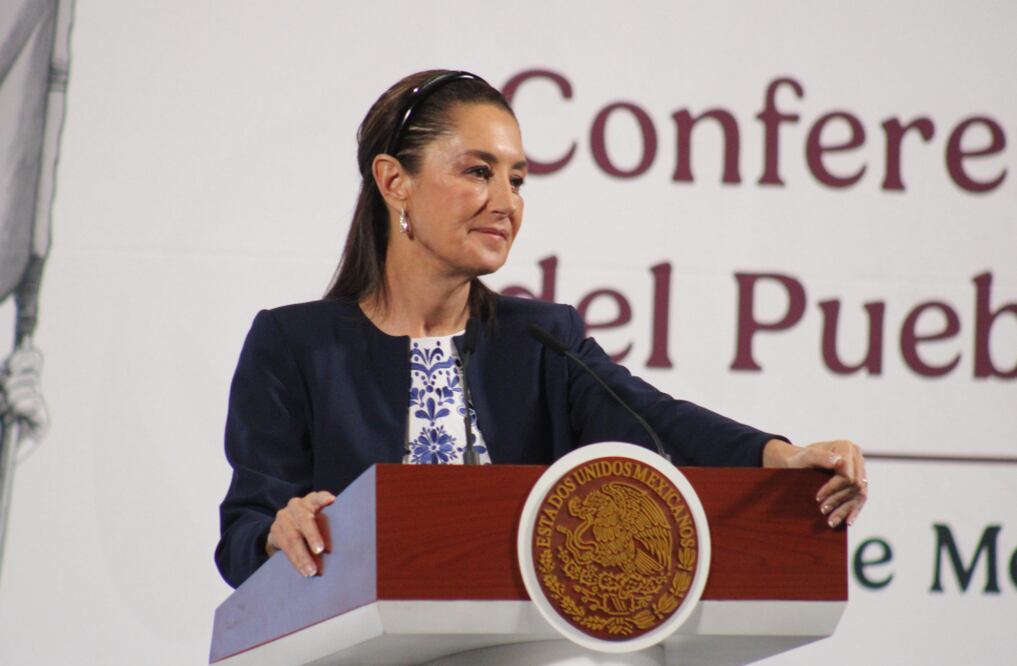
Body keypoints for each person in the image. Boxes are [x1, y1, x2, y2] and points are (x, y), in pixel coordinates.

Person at [215, 70, 867, 589]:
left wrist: (780, 457)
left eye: (517, 179)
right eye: (477, 172)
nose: (506, 202)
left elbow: (652, 418)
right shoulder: (294, 346)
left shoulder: (540, 341)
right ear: (394, 182)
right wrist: (279, 531)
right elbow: (243, 535)